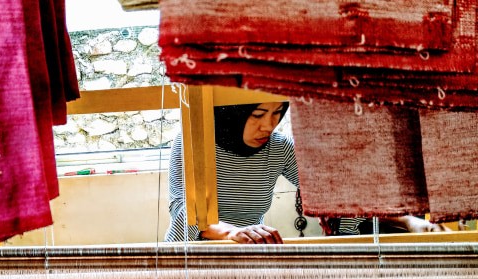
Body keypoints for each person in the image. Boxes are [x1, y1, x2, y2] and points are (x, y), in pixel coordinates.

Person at [164, 101, 448, 244]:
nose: (269, 125)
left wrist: (410, 222)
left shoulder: (277, 147)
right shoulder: (192, 142)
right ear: (233, 112)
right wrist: (234, 232)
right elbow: (185, 213)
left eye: (277, 113)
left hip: (248, 255)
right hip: (192, 259)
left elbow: (337, 196)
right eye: (258, 115)